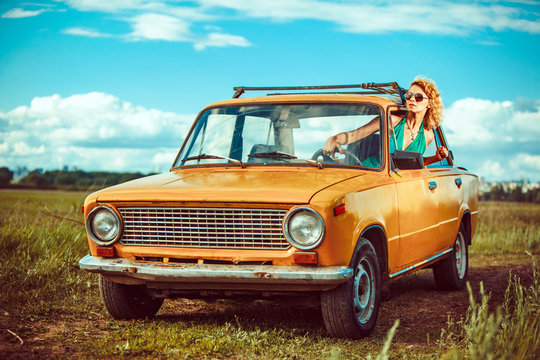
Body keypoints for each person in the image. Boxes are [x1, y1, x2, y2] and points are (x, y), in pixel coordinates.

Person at [323, 77, 449, 166]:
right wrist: (333, 139)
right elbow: (355, 135)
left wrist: (436, 158)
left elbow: (414, 163)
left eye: (419, 97)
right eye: (409, 96)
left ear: (430, 103)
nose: (412, 100)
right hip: (370, 173)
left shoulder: (427, 135)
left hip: (398, 183)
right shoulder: (392, 121)